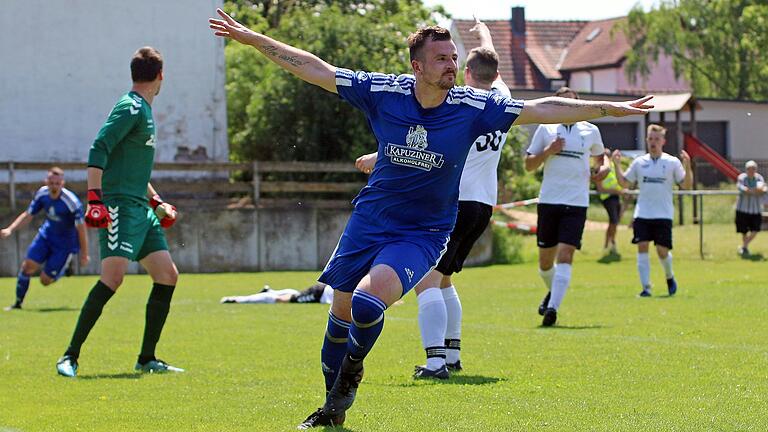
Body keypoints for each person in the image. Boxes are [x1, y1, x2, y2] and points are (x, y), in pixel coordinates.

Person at [208, 9, 652, 428]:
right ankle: (332, 405)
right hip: (370, 220)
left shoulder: (471, 106)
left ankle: (354, 371)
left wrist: (609, 109)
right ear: (416, 66)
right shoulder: (383, 92)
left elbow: (541, 108)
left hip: (424, 231)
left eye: (454, 58)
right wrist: (251, 38)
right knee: (340, 310)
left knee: (366, 303)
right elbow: (315, 69)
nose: (451, 65)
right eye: (441, 58)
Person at [355, 18, 509, 379]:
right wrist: (483, 32)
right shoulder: (501, 98)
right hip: (483, 204)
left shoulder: (466, 109)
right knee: (445, 279)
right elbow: (491, 60)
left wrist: (376, 158)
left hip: (454, 203)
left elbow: (438, 149)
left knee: (426, 279)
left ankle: (436, 362)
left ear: (467, 71)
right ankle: (452, 355)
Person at [56, 47, 183, 378]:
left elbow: (133, 170)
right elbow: (99, 147)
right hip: (119, 207)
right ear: (160, 76)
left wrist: (157, 201)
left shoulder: (144, 110)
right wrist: (95, 200)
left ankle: (147, 358)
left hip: (141, 208)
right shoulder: (130, 107)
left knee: (167, 275)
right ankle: (69, 356)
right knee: (112, 278)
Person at [525, 87, 610, 327]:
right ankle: (553, 294)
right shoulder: (546, 128)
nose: (567, 109)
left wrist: (602, 171)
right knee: (544, 264)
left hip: (577, 201)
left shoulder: (590, 130)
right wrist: (548, 151)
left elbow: (600, 161)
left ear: (579, 106)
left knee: (566, 254)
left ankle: (552, 309)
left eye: (571, 105)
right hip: (549, 200)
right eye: (561, 104)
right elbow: (529, 165)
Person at [612, 124, 692, 297]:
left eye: (657, 139)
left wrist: (688, 166)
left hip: (663, 214)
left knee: (662, 251)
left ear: (663, 141)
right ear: (646, 140)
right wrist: (617, 165)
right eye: (650, 138)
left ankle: (669, 276)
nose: (653, 142)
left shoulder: (672, 162)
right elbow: (624, 183)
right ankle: (646, 288)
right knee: (642, 247)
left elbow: (686, 184)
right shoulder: (639, 162)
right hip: (643, 213)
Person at [1, 167, 89, 310]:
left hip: (64, 244)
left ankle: (65, 267)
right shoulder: (42, 194)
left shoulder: (72, 203)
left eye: (57, 183)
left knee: (45, 281)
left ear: (62, 184)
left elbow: (81, 228)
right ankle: (18, 303)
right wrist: (10, 229)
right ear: (46, 181)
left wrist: (84, 254)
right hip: (46, 236)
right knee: (27, 267)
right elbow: (28, 215)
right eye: (51, 182)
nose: (54, 186)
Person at [595, 148, 626, 257]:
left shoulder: (612, 168)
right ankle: (609, 243)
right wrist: (615, 191)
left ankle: (611, 242)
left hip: (616, 196)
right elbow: (600, 189)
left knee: (615, 222)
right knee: (613, 220)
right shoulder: (599, 169)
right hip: (608, 197)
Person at [735, 160, 766, 257]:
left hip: (756, 209)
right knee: (743, 230)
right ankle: (745, 248)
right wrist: (754, 191)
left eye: (753, 169)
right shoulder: (742, 177)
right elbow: (742, 189)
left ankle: (744, 246)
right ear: (746, 169)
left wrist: (753, 190)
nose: (751, 171)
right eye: (749, 169)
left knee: (756, 229)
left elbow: (762, 189)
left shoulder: (759, 178)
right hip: (742, 209)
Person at [221, 283, 334, 304]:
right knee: (282, 300)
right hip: (318, 294)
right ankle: (238, 299)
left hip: (322, 290)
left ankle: (270, 291)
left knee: (295, 295)